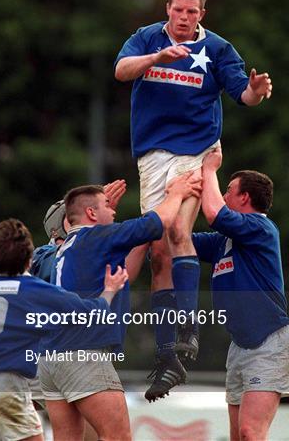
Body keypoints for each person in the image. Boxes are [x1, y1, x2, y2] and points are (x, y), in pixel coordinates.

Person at [114, 0, 273, 400]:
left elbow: (243, 92)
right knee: (157, 250)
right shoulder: (147, 38)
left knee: (179, 232)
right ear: (168, 8)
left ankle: (189, 324)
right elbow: (120, 70)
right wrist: (156, 57)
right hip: (152, 155)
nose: (184, 18)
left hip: (196, 149)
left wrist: (255, 93)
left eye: (192, 12)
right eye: (178, 10)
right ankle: (169, 356)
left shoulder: (218, 49)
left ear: (203, 14)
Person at [38, 171, 201, 434]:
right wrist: (176, 193)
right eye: (106, 207)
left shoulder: (67, 249)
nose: (114, 211)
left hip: (51, 359)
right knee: (118, 436)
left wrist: (104, 212)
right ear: (91, 214)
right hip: (83, 354)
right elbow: (160, 220)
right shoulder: (98, 238)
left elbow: (125, 269)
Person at [0, 218, 128, 441]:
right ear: (28, 260)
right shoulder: (32, 289)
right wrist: (109, 290)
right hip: (6, 386)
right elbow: (89, 313)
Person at [192, 147, 289, 441]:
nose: (224, 196)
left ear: (244, 198)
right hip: (239, 346)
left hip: (268, 342)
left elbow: (214, 213)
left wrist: (209, 170)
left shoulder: (260, 227)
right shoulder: (224, 241)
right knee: (239, 436)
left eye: (229, 190)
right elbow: (181, 241)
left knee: (251, 432)